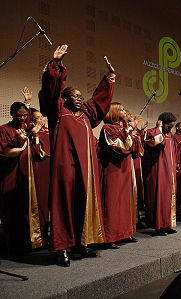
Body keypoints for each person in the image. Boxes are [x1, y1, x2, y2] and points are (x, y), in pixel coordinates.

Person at [39, 44, 116, 267]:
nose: (80, 99)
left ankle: (81, 243)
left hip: (85, 168)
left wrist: (110, 78)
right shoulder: (58, 112)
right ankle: (62, 247)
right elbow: (50, 92)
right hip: (65, 168)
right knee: (63, 205)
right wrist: (55, 65)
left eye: (81, 97)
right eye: (75, 96)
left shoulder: (85, 116)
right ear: (65, 98)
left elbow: (100, 101)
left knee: (83, 203)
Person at [0, 92, 46, 256]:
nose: (21, 118)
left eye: (24, 116)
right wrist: (26, 136)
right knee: (14, 209)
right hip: (12, 176)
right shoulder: (4, 130)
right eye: (18, 115)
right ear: (12, 114)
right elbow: (6, 151)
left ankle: (34, 241)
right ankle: (15, 244)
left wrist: (35, 137)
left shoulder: (28, 129)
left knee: (32, 208)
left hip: (30, 176)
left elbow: (37, 153)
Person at [99, 103, 143, 248]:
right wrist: (128, 131)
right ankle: (111, 236)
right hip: (113, 170)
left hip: (124, 169)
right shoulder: (107, 128)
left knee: (125, 201)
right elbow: (119, 147)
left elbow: (130, 145)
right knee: (113, 202)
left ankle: (124, 233)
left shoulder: (120, 128)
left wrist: (128, 128)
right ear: (114, 112)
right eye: (122, 110)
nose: (125, 112)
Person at [142, 112, 178, 235]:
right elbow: (157, 143)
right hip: (157, 171)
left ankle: (167, 224)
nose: (170, 129)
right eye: (169, 126)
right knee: (158, 198)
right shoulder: (152, 132)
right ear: (162, 122)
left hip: (169, 172)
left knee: (168, 198)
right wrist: (158, 128)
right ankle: (158, 226)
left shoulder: (170, 136)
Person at [29, 106, 51, 243]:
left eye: (42, 116)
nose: (42, 119)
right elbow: (37, 153)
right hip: (41, 167)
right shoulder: (33, 132)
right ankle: (41, 235)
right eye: (38, 117)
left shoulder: (50, 131)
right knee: (42, 200)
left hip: (53, 167)